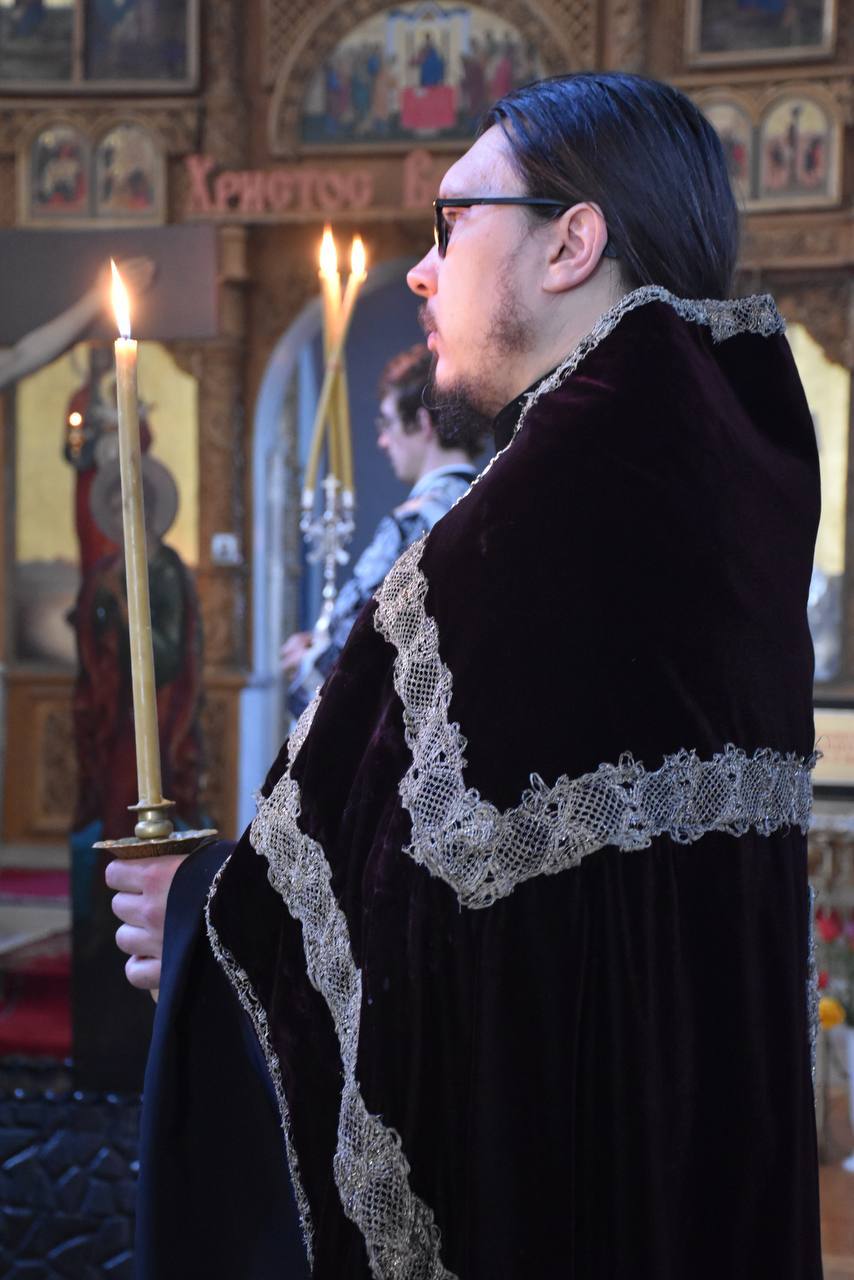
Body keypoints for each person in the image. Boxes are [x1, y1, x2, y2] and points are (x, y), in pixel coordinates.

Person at [108, 72, 822, 1279]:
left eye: (451, 221)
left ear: (570, 243)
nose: (420, 270)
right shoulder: (710, 467)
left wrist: (195, 913)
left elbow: (407, 936)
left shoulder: (548, 514)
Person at [281, 343, 487, 717]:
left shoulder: (411, 523)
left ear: (423, 422)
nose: (382, 441)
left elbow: (352, 643)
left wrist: (306, 660)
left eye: (388, 424)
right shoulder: (489, 502)